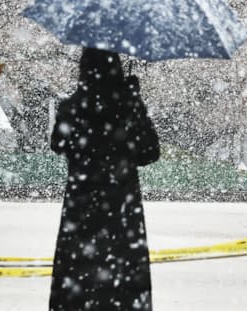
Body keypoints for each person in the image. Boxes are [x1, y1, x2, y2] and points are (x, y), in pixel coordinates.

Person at [49, 49, 160, 311]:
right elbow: (149, 152)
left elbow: (58, 144)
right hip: (121, 212)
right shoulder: (127, 106)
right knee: (122, 287)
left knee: (78, 281)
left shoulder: (72, 107)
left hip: (81, 210)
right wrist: (133, 98)